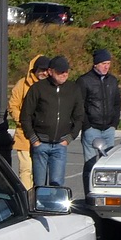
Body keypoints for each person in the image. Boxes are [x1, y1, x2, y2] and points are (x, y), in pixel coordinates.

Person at [20, 55, 84, 187]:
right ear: (50, 71)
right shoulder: (37, 89)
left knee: (57, 184)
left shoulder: (73, 89)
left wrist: (69, 138)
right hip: (40, 144)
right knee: (39, 185)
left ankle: (53, 207)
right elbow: (26, 115)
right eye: (60, 71)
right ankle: (39, 206)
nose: (64, 74)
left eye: (66, 71)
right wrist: (34, 139)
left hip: (61, 144)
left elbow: (79, 116)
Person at [76, 48, 121, 195]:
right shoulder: (84, 81)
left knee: (107, 165)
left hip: (108, 129)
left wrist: (114, 124)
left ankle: (106, 194)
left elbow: (117, 103)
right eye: (103, 63)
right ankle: (89, 194)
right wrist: (87, 126)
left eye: (108, 63)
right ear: (95, 64)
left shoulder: (112, 81)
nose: (106, 66)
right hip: (92, 129)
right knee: (90, 164)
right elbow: (79, 105)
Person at [7, 55, 50, 190]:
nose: (44, 73)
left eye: (46, 70)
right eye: (41, 70)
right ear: (34, 70)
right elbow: (13, 105)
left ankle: (41, 196)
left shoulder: (51, 86)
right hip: (24, 134)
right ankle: (27, 197)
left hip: (44, 134)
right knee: (26, 169)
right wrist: (23, 121)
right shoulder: (22, 84)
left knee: (42, 170)